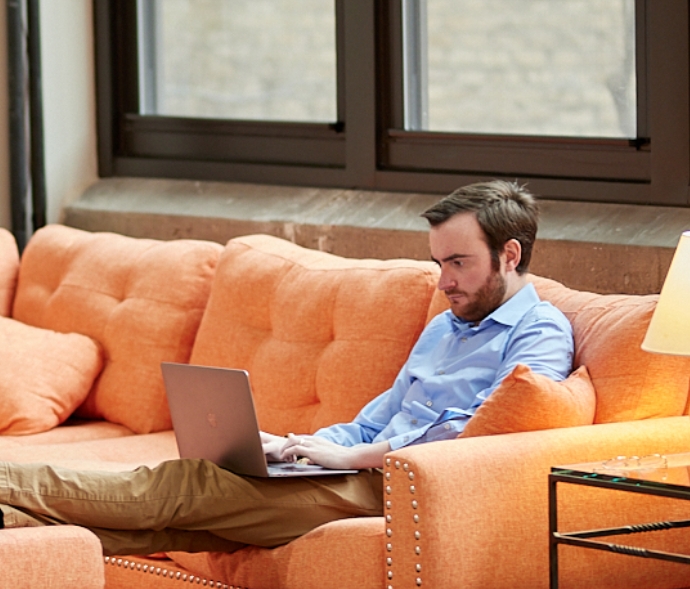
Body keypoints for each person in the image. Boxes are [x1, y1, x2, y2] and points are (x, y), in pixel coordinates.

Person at [0, 180, 573, 555]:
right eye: (437, 262)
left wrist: (352, 458)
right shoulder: (443, 325)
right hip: (355, 471)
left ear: (511, 255)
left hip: (406, 489)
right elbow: (380, 417)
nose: (443, 280)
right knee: (177, 525)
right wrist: (304, 446)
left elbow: (476, 429)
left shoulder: (540, 331)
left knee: (191, 485)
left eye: (458, 263)